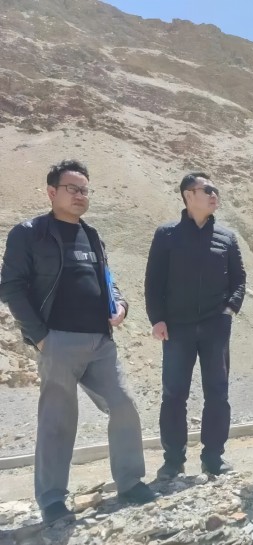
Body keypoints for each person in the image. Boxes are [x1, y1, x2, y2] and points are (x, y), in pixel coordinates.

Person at [0, 160, 156, 524]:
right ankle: (53, 500)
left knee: (123, 405)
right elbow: (11, 286)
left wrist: (121, 305)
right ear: (51, 192)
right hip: (57, 341)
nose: (80, 195)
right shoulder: (30, 233)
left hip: (100, 342)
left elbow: (107, 279)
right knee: (57, 421)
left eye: (84, 190)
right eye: (72, 189)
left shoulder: (92, 234)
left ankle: (130, 482)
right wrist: (40, 337)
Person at [145, 172, 246, 478]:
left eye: (215, 190)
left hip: (216, 328)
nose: (214, 194)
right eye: (207, 190)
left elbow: (239, 279)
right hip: (177, 329)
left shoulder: (226, 237)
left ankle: (213, 458)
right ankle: (173, 460)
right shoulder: (167, 235)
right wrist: (157, 318)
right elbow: (153, 281)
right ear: (188, 195)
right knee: (174, 395)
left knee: (217, 393)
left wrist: (230, 309)